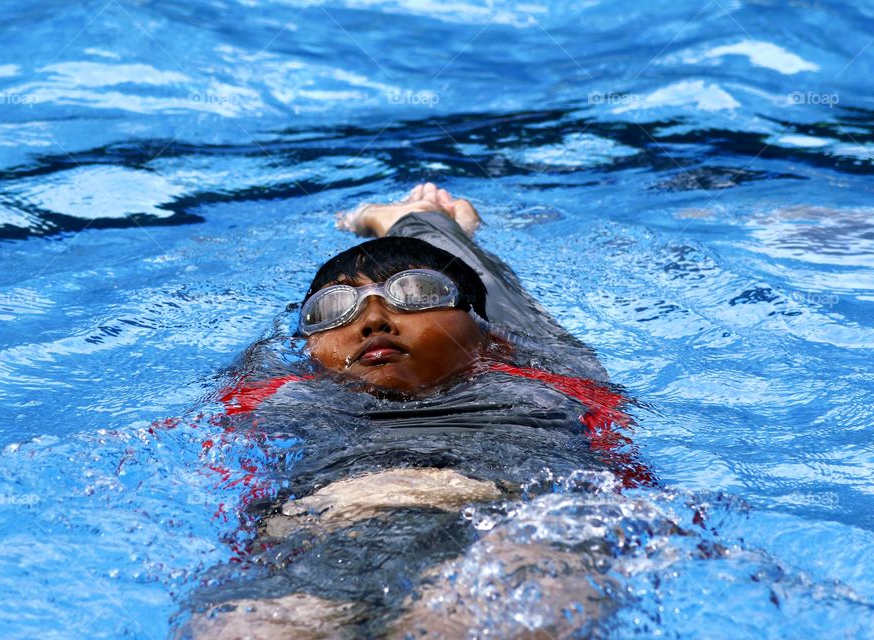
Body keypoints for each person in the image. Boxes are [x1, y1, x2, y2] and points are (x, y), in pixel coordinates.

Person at [175, 183, 654, 639]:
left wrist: (430, 223)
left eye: (418, 295)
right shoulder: (283, 392)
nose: (374, 320)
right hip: (318, 547)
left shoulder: (544, 377)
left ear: (494, 341)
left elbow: (495, 297)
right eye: (334, 309)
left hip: (504, 531)